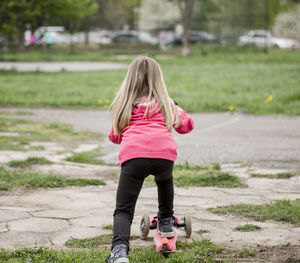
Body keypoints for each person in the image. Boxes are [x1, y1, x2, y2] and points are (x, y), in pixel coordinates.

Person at [106, 55, 194, 263]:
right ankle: (165, 221)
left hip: (134, 157)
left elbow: (115, 137)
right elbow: (187, 126)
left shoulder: (125, 105)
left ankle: (119, 252)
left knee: (124, 209)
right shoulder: (167, 105)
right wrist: (176, 107)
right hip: (163, 156)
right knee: (164, 180)